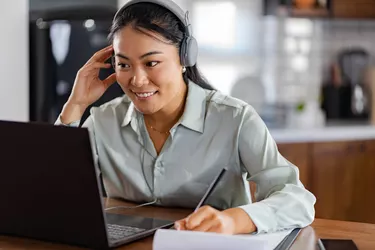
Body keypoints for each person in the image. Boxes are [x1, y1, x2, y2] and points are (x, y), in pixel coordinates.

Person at [55, 0, 316, 235]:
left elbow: (297, 199)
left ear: (184, 58)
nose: (136, 80)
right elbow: (52, 191)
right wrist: (75, 106)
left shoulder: (235, 119)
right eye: (124, 64)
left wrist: (236, 220)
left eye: (151, 63)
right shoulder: (103, 122)